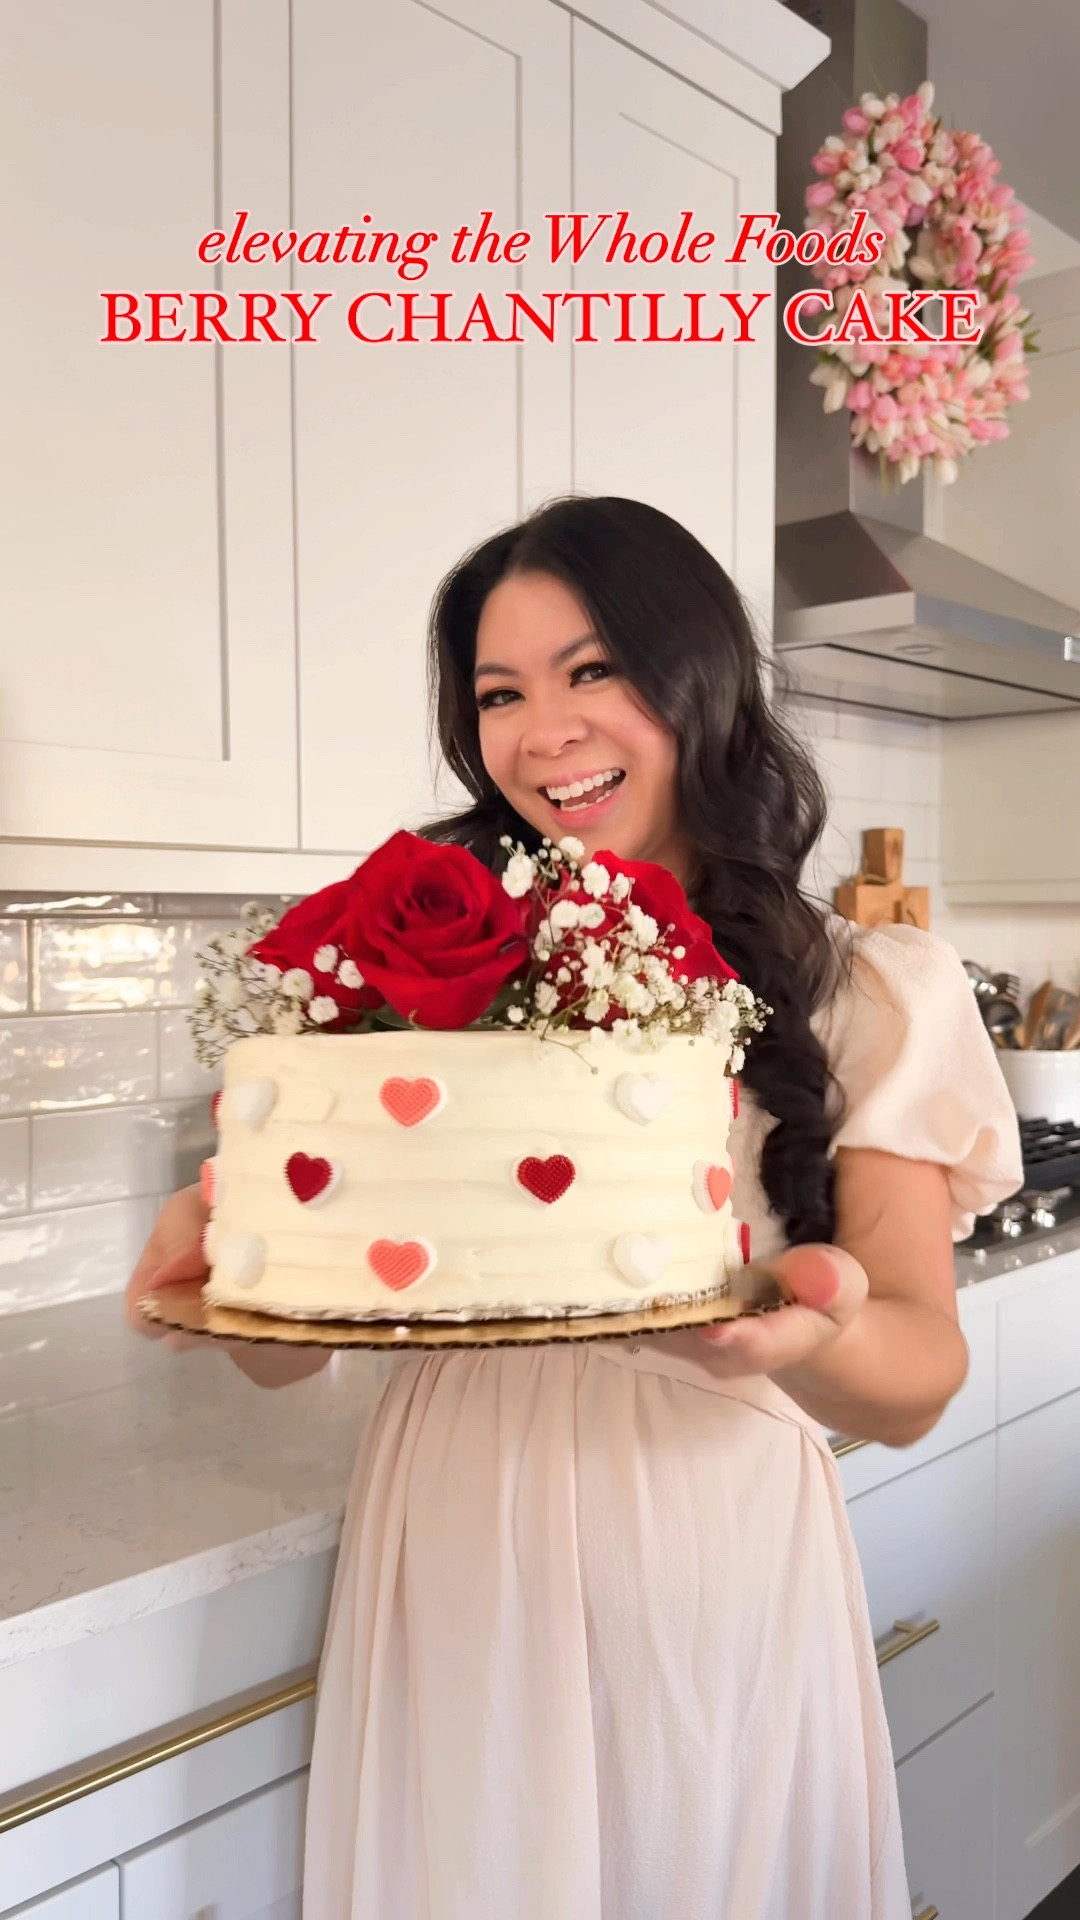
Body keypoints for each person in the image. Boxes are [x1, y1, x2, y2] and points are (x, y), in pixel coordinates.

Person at [126, 496, 1022, 1919]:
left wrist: (798, 1342)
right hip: (450, 1524)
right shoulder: (415, 973)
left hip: (703, 1543)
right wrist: (236, 1269)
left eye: (592, 669)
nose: (545, 729)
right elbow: (292, 1355)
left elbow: (916, 1378)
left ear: (700, 680)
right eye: (500, 691)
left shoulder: (863, 987)